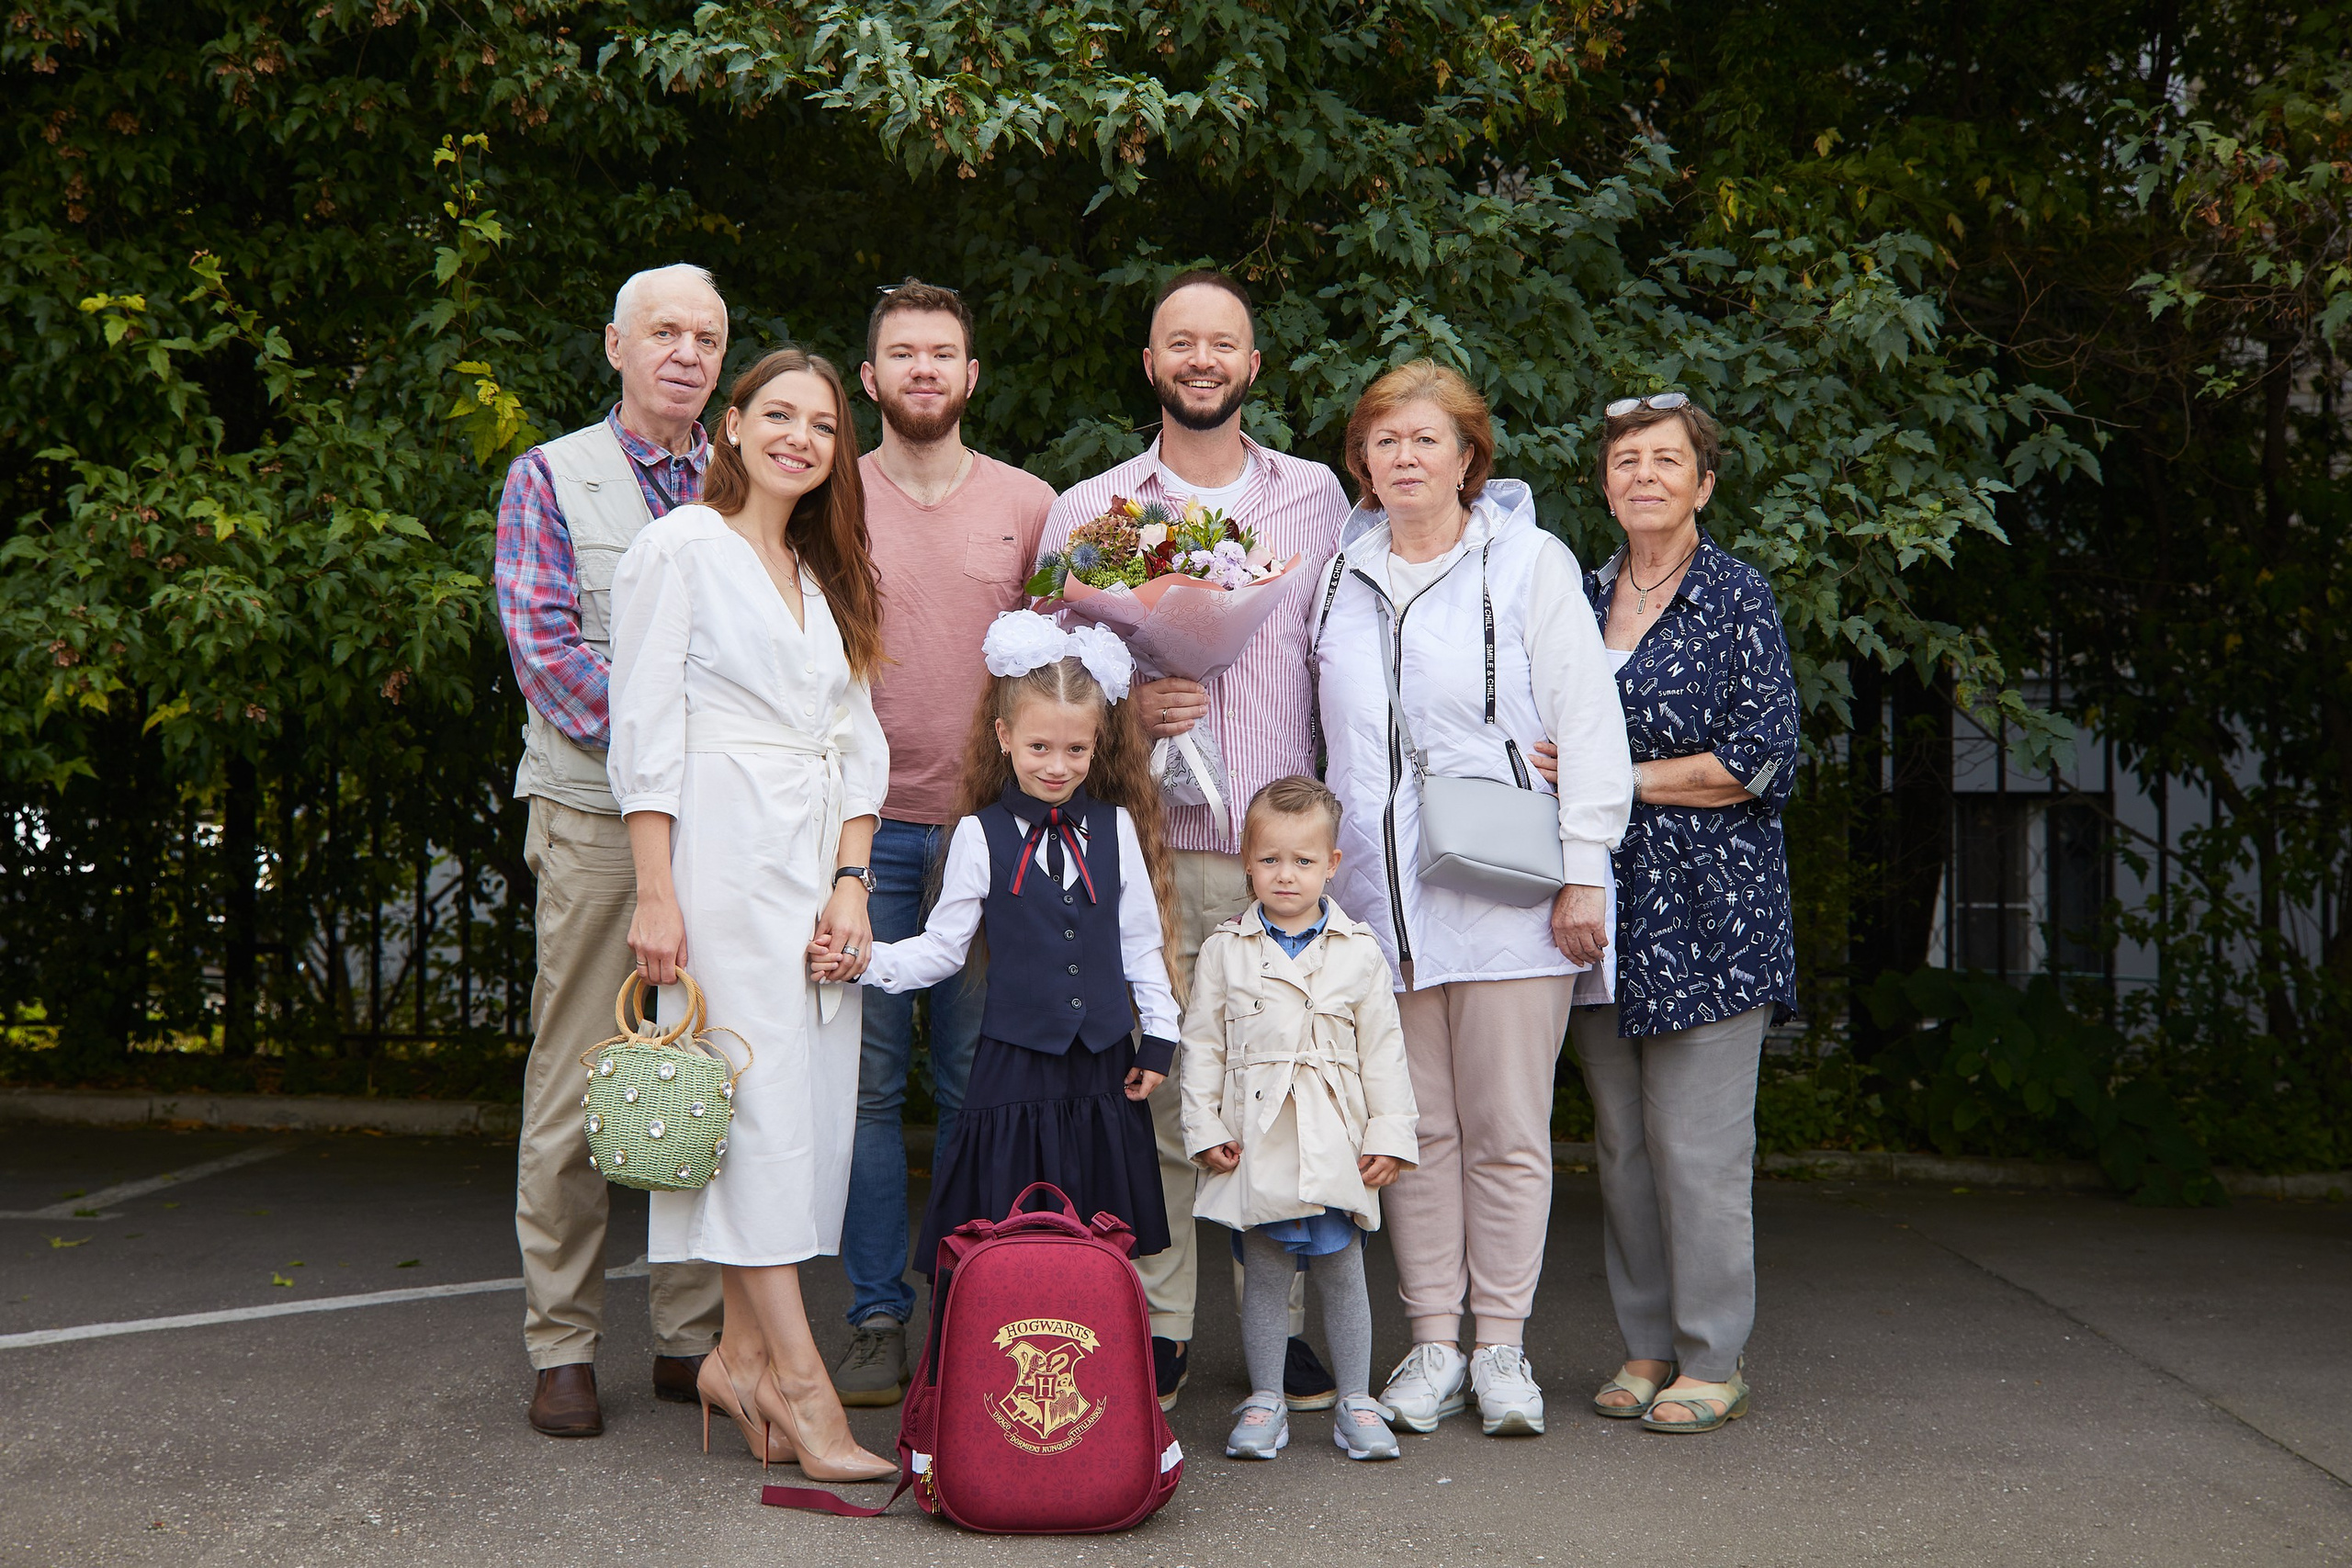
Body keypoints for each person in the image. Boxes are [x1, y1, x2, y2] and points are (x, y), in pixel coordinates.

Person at [1039, 268, 1351, 1412]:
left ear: (1252, 366)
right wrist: (1132, 706)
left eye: (1224, 342)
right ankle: (1160, 1323)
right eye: (1181, 342)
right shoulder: (1087, 513)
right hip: (1148, 854)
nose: (1202, 359)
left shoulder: (1318, 498)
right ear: (1151, 363)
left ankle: (1288, 1331)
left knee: (1281, 1092)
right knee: (1161, 1093)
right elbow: (1039, 687)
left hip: (1283, 857)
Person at [1311, 360, 1631, 1438]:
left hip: (1508, 897)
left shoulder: (1528, 563)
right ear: (1361, 462)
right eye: (1384, 441)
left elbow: (1589, 724)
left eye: (1425, 440)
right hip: (1379, 904)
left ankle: (1501, 1347)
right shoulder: (1337, 577)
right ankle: (1430, 1346)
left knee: (1505, 1133)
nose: (1403, 457)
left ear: (1468, 458)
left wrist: (1585, 868)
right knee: (1413, 1132)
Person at [606, 345, 896, 1483]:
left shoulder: (826, 575)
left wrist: (851, 880)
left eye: (821, 425)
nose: (799, 438)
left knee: (800, 1118)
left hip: (810, 865)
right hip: (719, 861)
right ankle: (805, 1390)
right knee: (757, 1119)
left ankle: (734, 1359)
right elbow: (645, 733)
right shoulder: (678, 547)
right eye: (777, 414)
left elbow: (860, 743)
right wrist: (658, 892)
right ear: (731, 426)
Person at [494, 263, 729, 1439]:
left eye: (706, 337)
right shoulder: (551, 478)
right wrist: (683, 746)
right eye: (664, 334)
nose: (686, 354)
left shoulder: (742, 476)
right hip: (595, 820)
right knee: (584, 1070)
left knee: (701, 1065)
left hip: (727, 832)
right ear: (616, 348)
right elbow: (548, 656)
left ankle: (691, 1341)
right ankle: (565, 1344)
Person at [835, 278, 1057, 1407]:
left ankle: (976, 1302)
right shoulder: (825, 494)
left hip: (986, 841)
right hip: (858, 841)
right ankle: (877, 1316)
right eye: (901, 354)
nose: (923, 369)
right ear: (868, 379)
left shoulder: (1029, 503)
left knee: (980, 1086)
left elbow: (1059, 682)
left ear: (972, 377)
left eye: (944, 353)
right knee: (866, 1089)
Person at [820, 611, 1180, 1279]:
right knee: (1006, 1238)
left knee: (1096, 1237)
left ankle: (1091, 1367)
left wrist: (1158, 1035)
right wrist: (863, 960)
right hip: (1013, 1073)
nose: (1057, 764)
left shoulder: (1117, 826)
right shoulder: (981, 836)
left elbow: (1142, 943)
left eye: (1076, 749)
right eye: (1039, 746)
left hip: (1101, 1070)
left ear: (1098, 743)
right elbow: (940, 949)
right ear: (1004, 736)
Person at [1570, 392, 1798, 1435]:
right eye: (1627, 462)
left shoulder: (1739, 598)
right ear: (1606, 484)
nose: (1645, 476)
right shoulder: (1572, 596)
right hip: (1596, 913)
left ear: (1704, 484)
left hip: (1711, 917)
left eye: (1667, 461)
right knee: (1618, 1148)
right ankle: (1647, 1345)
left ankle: (1715, 1355)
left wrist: (1611, 776)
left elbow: (1754, 760)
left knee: (1698, 1153)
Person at [1181, 776, 1418, 1462]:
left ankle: (1354, 1400)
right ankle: (1266, 1398)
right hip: (1256, 1139)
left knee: (1343, 1269)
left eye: (1304, 860)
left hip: (1335, 1137)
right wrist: (1205, 1127)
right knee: (1265, 1272)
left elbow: (1384, 1052)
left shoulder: (1358, 949)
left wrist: (1388, 1136)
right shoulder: (1227, 948)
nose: (1287, 874)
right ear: (1247, 860)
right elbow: (1202, 1045)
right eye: (1271, 859)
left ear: (1332, 864)